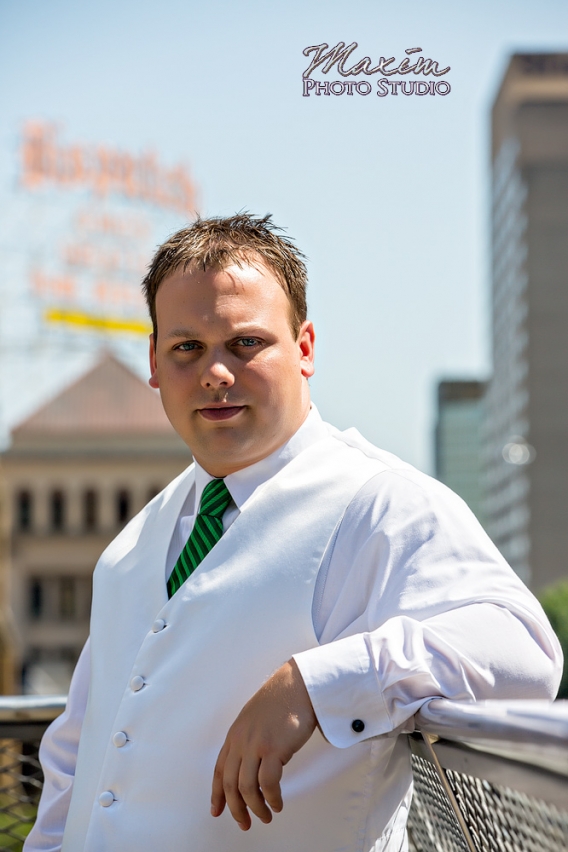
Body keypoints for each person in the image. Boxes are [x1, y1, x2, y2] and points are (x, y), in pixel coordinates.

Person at [25, 214, 561, 852]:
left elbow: (523, 652)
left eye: (246, 343)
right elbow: (77, 746)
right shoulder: (139, 536)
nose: (215, 372)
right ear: (155, 362)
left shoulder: (380, 502)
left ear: (305, 348)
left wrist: (316, 682)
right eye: (186, 347)